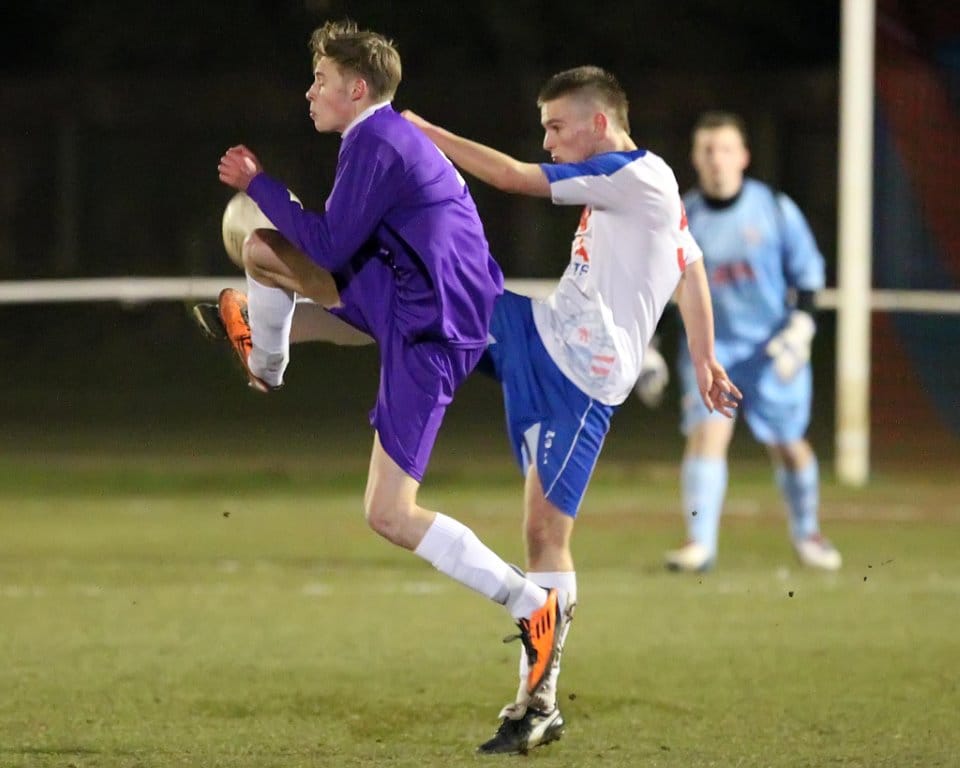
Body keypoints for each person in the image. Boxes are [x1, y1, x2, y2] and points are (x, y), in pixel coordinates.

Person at [207, 18, 566, 727]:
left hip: (430, 328)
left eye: (321, 80)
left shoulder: (377, 141)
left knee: (389, 513)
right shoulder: (379, 138)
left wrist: (259, 183)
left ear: (357, 88)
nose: (310, 92)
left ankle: (532, 605)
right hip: (417, 297)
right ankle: (266, 351)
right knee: (264, 253)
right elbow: (339, 248)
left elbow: (330, 246)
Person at [401, 67, 740, 753]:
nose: (549, 142)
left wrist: (424, 133)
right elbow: (691, 265)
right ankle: (288, 318)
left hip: (582, 383)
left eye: (557, 127)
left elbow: (511, 177)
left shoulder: (635, 176)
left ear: (599, 124)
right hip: (543, 334)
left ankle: (540, 703)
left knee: (544, 536)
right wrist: (704, 356)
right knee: (433, 297)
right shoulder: (650, 183)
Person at [663, 111, 842, 573]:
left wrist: (800, 332)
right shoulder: (682, 219)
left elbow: (808, 274)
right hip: (712, 352)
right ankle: (699, 544)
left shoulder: (774, 209)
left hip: (770, 349)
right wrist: (649, 350)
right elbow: (663, 288)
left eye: (725, 149)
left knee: (788, 443)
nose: (716, 159)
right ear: (694, 158)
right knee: (707, 436)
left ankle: (808, 533)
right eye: (707, 150)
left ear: (743, 156)